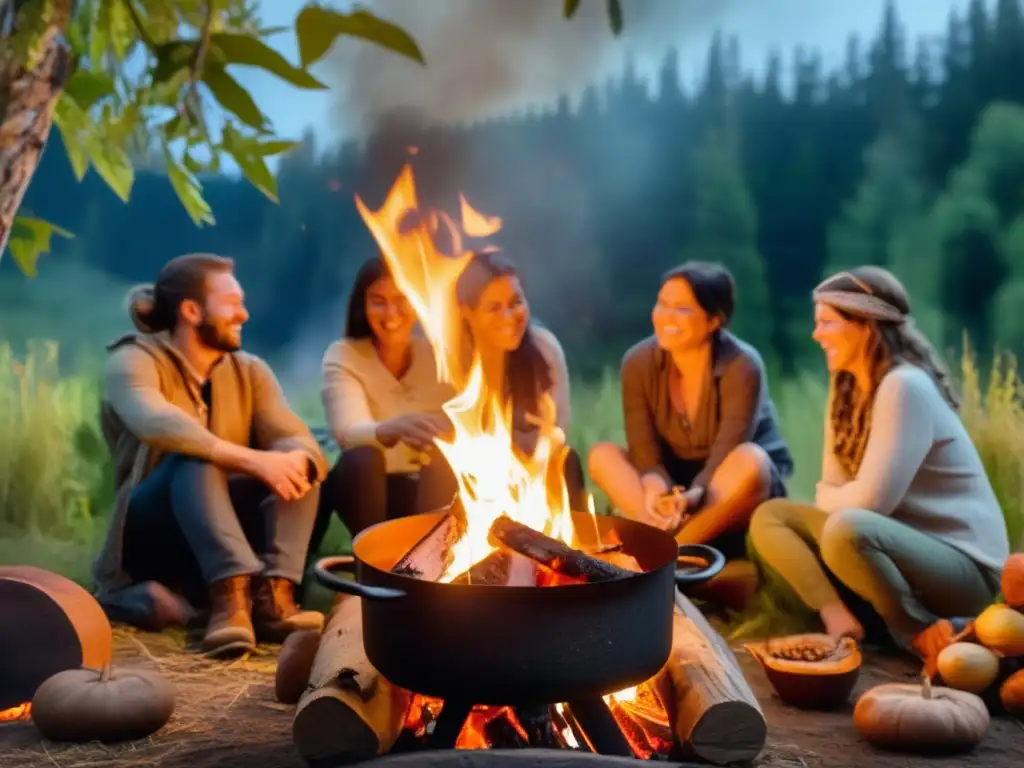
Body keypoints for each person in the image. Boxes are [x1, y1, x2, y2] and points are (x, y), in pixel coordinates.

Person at [749, 266, 1009, 666]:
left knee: (845, 528)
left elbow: (870, 505)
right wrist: (837, 498)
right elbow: (829, 491)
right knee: (771, 516)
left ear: (865, 325)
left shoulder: (905, 385)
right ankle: (841, 620)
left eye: (826, 323)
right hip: (896, 547)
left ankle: (916, 629)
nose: (816, 335)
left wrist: (837, 498)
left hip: (964, 568)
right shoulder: (848, 388)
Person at [93, 253, 329, 656]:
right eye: (233, 303)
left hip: (221, 530)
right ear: (190, 310)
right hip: (153, 530)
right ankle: (229, 602)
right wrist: (252, 460)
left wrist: (293, 459)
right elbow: (156, 422)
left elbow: (298, 438)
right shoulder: (131, 360)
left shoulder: (249, 370)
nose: (244, 314)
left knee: (297, 463)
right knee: (195, 457)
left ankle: (274, 597)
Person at [588, 261, 793, 558]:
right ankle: (656, 536)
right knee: (602, 456)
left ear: (714, 321)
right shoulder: (638, 362)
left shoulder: (742, 366)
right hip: (673, 487)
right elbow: (644, 451)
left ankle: (665, 556)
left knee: (751, 461)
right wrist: (657, 493)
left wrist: (695, 495)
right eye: (662, 304)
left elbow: (727, 452)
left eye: (682, 309)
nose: (666, 317)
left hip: (728, 488)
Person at [313, 257, 455, 549]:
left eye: (401, 300)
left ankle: (432, 565)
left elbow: (469, 421)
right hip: (369, 490)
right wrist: (393, 429)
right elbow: (348, 432)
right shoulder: (345, 355)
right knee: (362, 458)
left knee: (444, 463)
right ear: (362, 306)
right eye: (378, 301)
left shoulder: (439, 357)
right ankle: (373, 561)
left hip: (433, 488)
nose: (391, 313)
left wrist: (447, 434)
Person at [455, 249, 588, 511]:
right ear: (467, 313)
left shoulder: (543, 347)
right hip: (475, 473)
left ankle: (574, 548)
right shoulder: (454, 359)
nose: (509, 316)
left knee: (567, 461)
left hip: (533, 467)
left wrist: (535, 453)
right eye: (494, 308)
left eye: (516, 302)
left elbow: (559, 428)